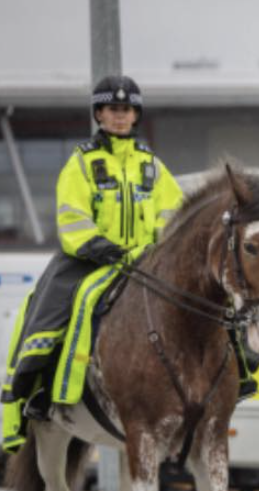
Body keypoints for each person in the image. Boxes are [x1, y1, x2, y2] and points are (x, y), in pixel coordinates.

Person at [1, 75, 183, 438]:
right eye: (112, 109)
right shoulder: (81, 164)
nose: (120, 115)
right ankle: (33, 392)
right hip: (89, 260)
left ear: (136, 115)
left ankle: (231, 379)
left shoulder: (153, 167)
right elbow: (72, 218)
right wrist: (105, 249)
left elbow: (173, 215)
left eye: (127, 109)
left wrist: (161, 251)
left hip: (146, 264)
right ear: (99, 114)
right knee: (47, 316)